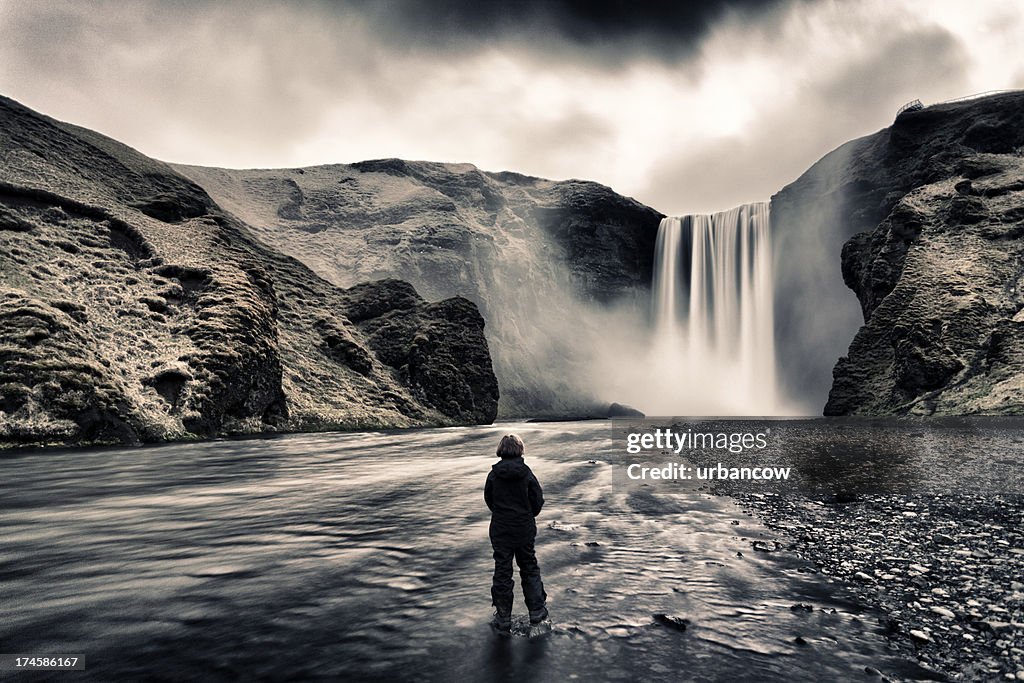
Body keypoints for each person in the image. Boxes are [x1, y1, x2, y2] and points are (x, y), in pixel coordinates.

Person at [484, 433, 548, 632]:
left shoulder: (494, 474)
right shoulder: (527, 473)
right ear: (520, 449)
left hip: (501, 529)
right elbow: (537, 500)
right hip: (523, 528)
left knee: (502, 571)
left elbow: (489, 500)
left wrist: (502, 513)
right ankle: (537, 613)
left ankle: (503, 617)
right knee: (529, 567)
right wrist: (528, 515)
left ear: (501, 450)